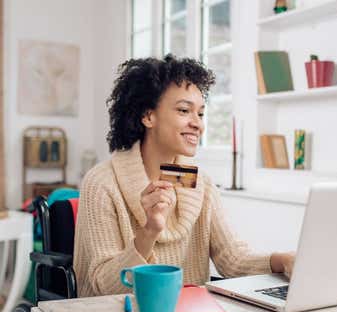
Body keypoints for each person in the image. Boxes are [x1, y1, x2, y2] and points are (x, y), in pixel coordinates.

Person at [73, 54, 294, 297]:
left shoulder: (202, 184)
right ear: (148, 116)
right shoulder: (102, 183)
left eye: (200, 114)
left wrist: (282, 260)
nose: (197, 124)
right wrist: (149, 232)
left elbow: (232, 259)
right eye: (184, 110)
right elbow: (102, 287)